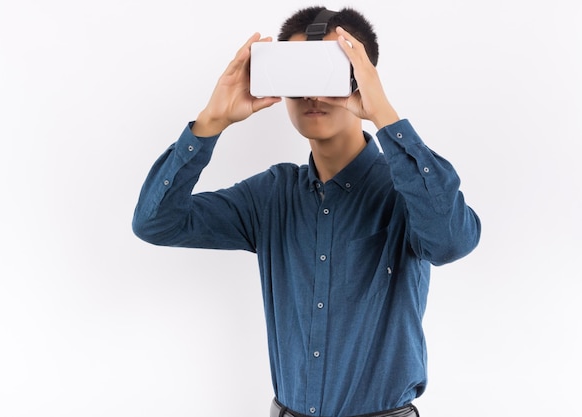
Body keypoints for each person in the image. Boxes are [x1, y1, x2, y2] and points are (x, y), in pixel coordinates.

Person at [132, 6, 481, 417]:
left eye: (331, 73)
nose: (314, 95)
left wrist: (385, 115)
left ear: (362, 78)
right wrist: (210, 122)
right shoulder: (271, 195)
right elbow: (156, 223)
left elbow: (452, 241)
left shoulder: (407, 190)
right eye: (299, 77)